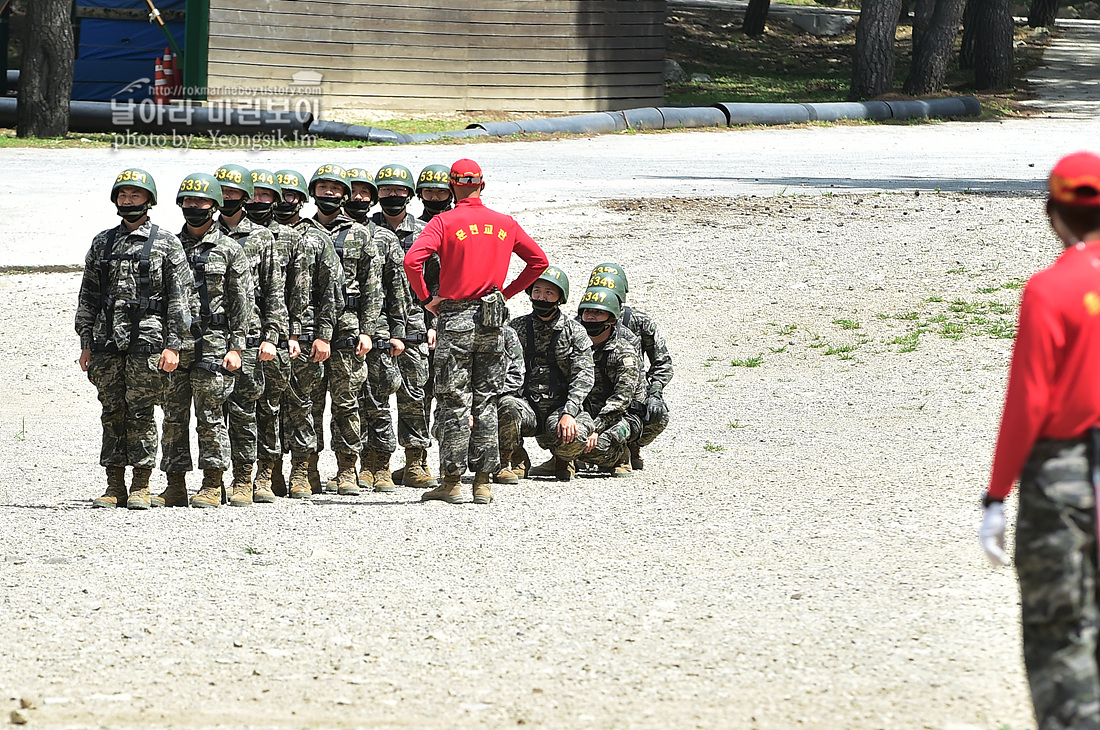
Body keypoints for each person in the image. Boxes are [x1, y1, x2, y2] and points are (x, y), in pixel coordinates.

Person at [981, 151, 1100, 730]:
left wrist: (996, 495)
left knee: (1061, 636)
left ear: (1055, 213)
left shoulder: (1050, 290)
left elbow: (1028, 402)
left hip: (1064, 479)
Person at [403, 158, 549, 504]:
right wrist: (506, 293)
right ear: (482, 185)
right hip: (492, 320)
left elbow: (412, 261)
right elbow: (539, 261)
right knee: (486, 401)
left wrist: (427, 298)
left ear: (453, 186)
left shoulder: (443, 222)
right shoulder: (504, 223)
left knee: (453, 402)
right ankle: (482, 483)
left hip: (454, 318)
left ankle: (451, 482)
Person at [76, 169, 193, 509]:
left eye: (135, 195)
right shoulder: (102, 242)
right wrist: (86, 343)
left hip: (148, 343)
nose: (128, 201)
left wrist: (174, 345)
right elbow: (89, 297)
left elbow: (179, 300)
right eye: (123, 195)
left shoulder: (166, 243)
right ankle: (114, 485)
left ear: (149, 201)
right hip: (106, 342)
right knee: (112, 411)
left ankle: (141, 483)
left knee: (141, 412)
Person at [156, 173, 252, 508]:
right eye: (188, 201)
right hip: (174, 344)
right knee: (173, 417)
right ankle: (175, 484)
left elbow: (242, 303)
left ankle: (213, 483)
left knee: (211, 417)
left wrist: (236, 347)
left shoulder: (228, 249)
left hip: (213, 343)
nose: (194, 207)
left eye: (201, 201)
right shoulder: (169, 246)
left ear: (214, 205)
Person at [308, 164, 383, 496]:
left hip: (349, 326)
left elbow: (373, 288)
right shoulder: (301, 232)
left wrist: (367, 330)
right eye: (323, 187)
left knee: (347, 402)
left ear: (344, 194)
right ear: (313, 192)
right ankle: (304, 469)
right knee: (305, 402)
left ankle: (347, 469)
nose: (329, 193)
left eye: (335, 188)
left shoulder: (360, 234)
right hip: (310, 327)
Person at [214, 164, 286, 506]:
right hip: (211, 336)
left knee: (252, 409)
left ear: (244, 196)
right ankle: (214, 478)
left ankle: (251, 477)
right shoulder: (200, 235)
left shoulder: (261, 238)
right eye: (222, 192)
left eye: (233, 193)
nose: (227, 198)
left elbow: (274, 292)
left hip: (254, 337)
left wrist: (272, 335)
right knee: (212, 411)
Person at [366, 163, 436, 491]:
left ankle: (415, 461)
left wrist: (434, 323)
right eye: (386, 190)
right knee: (375, 395)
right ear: (376, 194)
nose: (392, 195)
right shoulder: (363, 230)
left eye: (398, 190)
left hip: (416, 323)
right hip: (376, 324)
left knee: (415, 395)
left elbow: (439, 285)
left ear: (410, 194)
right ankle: (377, 463)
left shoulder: (426, 233)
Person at [272, 168, 340, 499]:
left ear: (301, 199)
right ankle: (268, 471)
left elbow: (331, 292)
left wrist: (324, 335)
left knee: (303, 404)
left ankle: (303, 469)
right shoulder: (262, 235)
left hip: (308, 332)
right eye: (278, 195)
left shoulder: (316, 238)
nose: (285, 201)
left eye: (291, 195)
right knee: (267, 406)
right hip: (267, 333)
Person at [499, 266, 595, 483]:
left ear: (560, 297)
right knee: (505, 407)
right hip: (527, 406)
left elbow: (584, 375)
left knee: (577, 435)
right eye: (537, 291)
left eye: (549, 293)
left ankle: (563, 459)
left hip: (560, 408)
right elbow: (504, 367)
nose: (542, 297)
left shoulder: (574, 331)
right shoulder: (517, 327)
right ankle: (514, 458)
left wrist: (570, 412)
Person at [245, 168, 304, 501]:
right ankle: (241, 474)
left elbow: (297, 292)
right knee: (241, 410)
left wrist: (293, 333)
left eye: (264, 195)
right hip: (240, 334)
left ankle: (270, 473)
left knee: (276, 408)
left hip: (278, 336)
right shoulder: (230, 235)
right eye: (252, 194)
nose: (257, 201)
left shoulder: (290, 238)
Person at [588, 263, 672, 471]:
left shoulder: (641, 322)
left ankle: (631, 446)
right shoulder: (582, 322)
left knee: (657, 413)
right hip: (593, 395)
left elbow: (662, 362)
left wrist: (655, 391)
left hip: (631, 393)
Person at [575, 286, 644, 473]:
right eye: (587, 311)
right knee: (564, 438)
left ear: (612, 319)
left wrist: (594, 428)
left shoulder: (624, 353)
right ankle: (563, 460)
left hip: (619, 416)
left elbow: (621, 401)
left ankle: (620, 455)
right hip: (586, 412)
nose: (590, 317)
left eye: (598, 313)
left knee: (595, 447)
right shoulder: (575, 347)